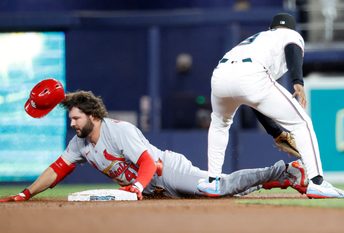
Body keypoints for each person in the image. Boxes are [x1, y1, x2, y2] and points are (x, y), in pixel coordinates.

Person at [0, 82, 308, 201]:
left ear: (92, 116)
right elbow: (57, 169)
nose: (72, 123)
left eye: (76, 118)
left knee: (220, 188)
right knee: (225, 195)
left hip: (167, 171)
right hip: (154, 189)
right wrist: (26, 193)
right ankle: (278, 181)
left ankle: (285, 171)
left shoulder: (118, 130)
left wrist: (135, 187)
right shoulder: (79, 144)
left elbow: (147, 161)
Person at [197, 13, 344, 198]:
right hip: (251, 73)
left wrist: (275, 131)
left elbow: (254, 100)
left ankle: (213, 182)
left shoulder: (259, 39)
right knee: (302, 123)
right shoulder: (290, 35)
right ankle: (317, 182)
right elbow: (292, 48)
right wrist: (297, 81)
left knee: (220, 124)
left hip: (220, 75)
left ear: (271, 27)